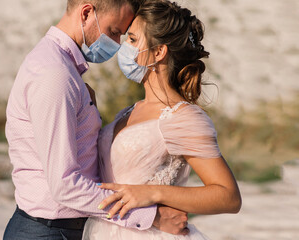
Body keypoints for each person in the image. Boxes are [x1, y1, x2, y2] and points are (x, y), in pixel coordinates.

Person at [3, 1, 190, 239]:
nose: (115, 44)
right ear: (87, 12)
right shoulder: (55, 74)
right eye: (113, 32)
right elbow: (65, 185)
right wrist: (151, 217)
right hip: (49, 231)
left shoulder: (62, 68)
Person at [81, 0, 242, 239]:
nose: (124, 48)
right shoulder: (128, 111)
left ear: (158, 52)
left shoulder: (182, 117)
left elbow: (228, 197)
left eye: (133, 40)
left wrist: (153, 193)